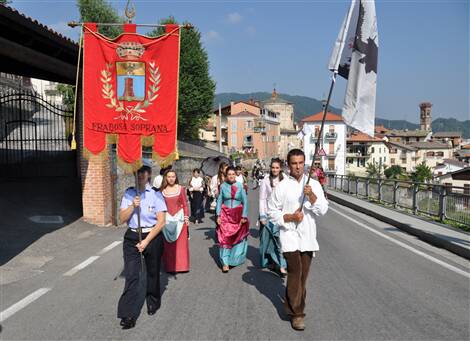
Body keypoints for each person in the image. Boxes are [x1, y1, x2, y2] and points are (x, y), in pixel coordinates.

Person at [268, 149, 328, 331]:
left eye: (301, 163)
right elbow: (272, 211)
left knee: (303, 277)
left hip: (308, 237)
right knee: (295, 272)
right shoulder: (281, 187)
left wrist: (311, 196)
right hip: (289, 236)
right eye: (294, 163)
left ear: (305, 163)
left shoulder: (314, 184)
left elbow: (323, 210)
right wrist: (289, 218)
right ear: (288, 165)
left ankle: (289, 303)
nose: (298, 167)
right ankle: (298, 314)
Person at [117, 165, 167, 329]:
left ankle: (153, 301)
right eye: (138, 172)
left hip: (151, 236)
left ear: (149, 174)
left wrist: (146, 242)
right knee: (132, 275)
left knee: (153, 273)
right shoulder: (129, 193)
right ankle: (128, 314)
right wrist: (132, 206)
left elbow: (161, 222)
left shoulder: (156, 194)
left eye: (144, 172)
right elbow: (122, 219)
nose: (140, 175)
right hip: (132, 236)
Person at [216, 166, 249, 272]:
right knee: (225, 237)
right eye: (229, 174)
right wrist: (218, 215)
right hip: (225, 214)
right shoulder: (222, 186)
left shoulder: (240, 186)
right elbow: (219, 201)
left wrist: (244, 216)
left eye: (233, 174)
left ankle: (233, 259)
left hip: (238, 215)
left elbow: (245, 201)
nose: (231, 176)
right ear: (226, 175)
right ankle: (225, 262)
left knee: (237, 237)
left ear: (236, 175)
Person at [259, 158, 287, 277]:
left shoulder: (286, 179)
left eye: (277, 167)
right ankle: (273, 261)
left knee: (281, 240)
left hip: (282, 214)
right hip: (269, 214)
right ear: (270, 168)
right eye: (273, 167)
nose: (275, 170)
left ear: (280, 168)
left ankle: (282, 264)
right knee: (270, 240)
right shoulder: (265, 180)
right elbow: (262, 199)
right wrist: (262, 215)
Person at [160, 169, 190, 273]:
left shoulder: (180, 189)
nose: (171, 179)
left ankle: (182, 266)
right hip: (167, 220)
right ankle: (170, 267)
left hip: (180, 220)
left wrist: (186, 217)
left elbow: (185, 204)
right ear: (166, 178)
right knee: (169, 245)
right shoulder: (162, 191)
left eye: (173, 176)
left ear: (176, 177)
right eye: (169, 177)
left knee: (181, 245)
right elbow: (160, 206)